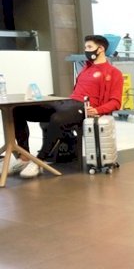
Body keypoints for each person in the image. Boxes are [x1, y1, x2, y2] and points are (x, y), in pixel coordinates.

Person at [3, 35, 122, 178]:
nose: (86, 50)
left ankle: (39, 161)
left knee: (57, 119)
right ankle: (24, 157)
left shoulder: (113, 73)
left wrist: (97, 110)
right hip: (67, 102)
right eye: (85, 48)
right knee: (18, 110)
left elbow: (116, 102)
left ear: (101, 49)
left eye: (89, 47)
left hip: (84, 108)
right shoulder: (85, 69)